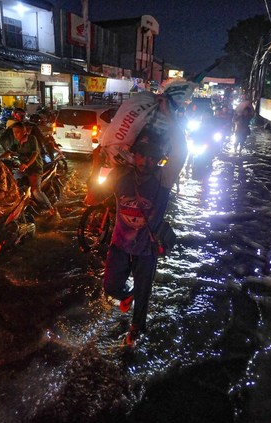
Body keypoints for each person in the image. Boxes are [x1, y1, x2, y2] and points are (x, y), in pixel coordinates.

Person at [86, 119, 187, 346]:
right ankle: (126, 295)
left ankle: (135, 331)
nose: (147, 160)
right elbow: (93, 198)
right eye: (142, 154)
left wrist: (169, 115)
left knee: (144, 294)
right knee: (110, 287)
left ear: (160, 158)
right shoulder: (120, 175)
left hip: (146, 249)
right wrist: (95, 162)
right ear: (135, 154)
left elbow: (182, 151)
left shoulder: (164, 178)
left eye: (152, 156)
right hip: (120, 245)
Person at [1, 122, 56, 216]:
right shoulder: (16, 142)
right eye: (14, 133)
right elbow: (9, 151)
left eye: (17, 132)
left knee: (36, 191)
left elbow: (35, 154)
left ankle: (50, 209)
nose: (15, 135)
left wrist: (27, 164)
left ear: (24, 131)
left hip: (35, 168)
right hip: (23, 168)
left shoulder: (31, 139)